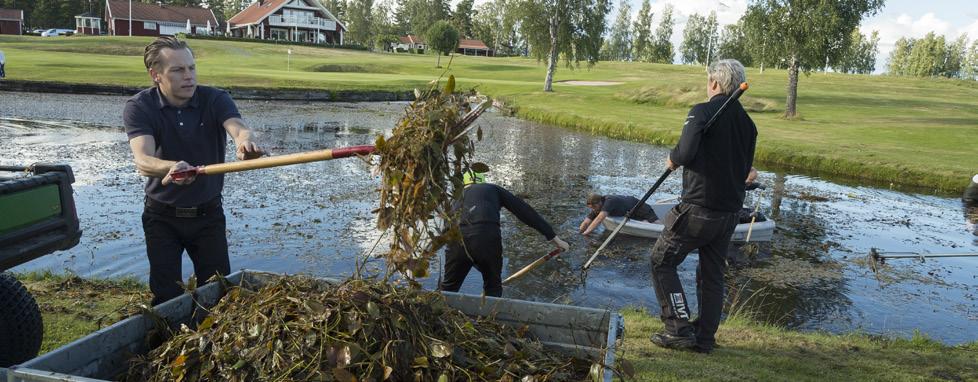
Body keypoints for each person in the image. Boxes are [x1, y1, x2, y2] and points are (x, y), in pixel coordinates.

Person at [124, 36, 263, 305]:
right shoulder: (140, 107)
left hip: (208, 215)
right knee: (166, 297)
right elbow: (143, 160)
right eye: (178, 70)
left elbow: (238, 127)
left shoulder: (215, 99)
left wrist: (245, 141)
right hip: (161, 217)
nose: (189, 76)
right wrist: (171, 167)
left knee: (219, 293)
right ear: (156, 75)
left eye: (192, 68)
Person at [648, 59, 757, 354]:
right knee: (712, 275)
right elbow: (746, 169)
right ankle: (705, 338)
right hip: (730, 213)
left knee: (662, 261)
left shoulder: (701, 111)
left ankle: (678, 329)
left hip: (698, 209)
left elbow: (685, 152)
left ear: (715, 84)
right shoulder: (749, 125)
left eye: (707, 81)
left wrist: (672, 157)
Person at [441, 163, 570, 297]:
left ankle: (441, 310)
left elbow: (445, 230)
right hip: (487, 239)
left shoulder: (454, 198)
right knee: (493, 289)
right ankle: (491, 312)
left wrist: (467, 259)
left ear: (464, 183)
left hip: (456, 240)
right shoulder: (493, 189)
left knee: (448, 290)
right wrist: (555, 239)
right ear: (483, 180)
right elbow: (525, 212)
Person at [579, 194, 658, 235]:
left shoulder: (609, 201)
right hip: (628, 211)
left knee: (655, 222)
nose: (593, 209)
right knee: (644, 222)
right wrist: (580, 232)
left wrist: (587, 233)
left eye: (594, 206)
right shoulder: (597, 207)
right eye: (591, 208)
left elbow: (599, 219)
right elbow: (586, 222)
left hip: (638, 206)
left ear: (600, 202)